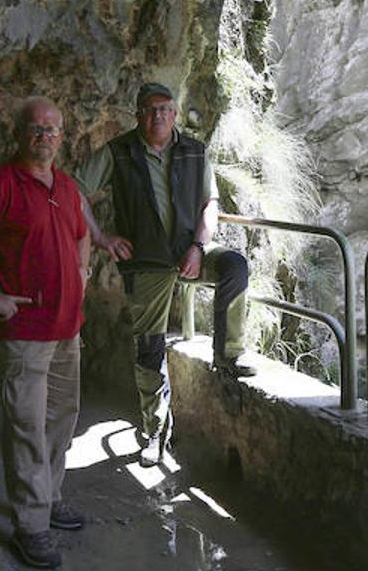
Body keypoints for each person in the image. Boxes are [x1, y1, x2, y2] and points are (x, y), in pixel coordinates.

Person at [0, 96, 91, 570]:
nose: (44, 137)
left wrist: (83, 271)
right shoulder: (0, 185)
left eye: (52, 130)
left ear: (61, 137)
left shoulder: (65, 187)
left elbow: (83, 231)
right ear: (19, 134)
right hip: (25, 333)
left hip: (68, 329)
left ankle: (50, 496)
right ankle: (31, 524)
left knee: (62, 418)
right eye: (35, 129)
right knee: (28, 425)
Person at [75, 82, 254, 468]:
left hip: (189, 252)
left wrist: (199, 247)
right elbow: (75, 191)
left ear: (174, 113)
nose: (158, 115)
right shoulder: (119, 153)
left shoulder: (194, 151)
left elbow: (210, 203)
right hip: (147, 261)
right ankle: (155, 430)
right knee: (149, 347)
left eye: (165, 108)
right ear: (138, 114)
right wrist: (102, 237)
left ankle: (228, 355)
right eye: (150, 109)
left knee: (235, 268)